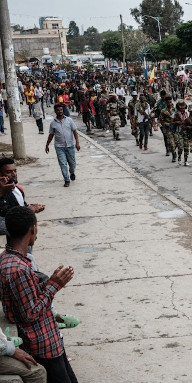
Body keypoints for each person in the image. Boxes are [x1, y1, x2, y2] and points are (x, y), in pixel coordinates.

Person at [0, 206, 77, 382]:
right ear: (32, 229)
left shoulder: (13, 260)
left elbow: (27, 299)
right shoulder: (17, 269)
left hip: (49, 338)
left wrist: (46, 283)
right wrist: (54, 285)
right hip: (42, 343)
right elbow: (29, 313)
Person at [45, 104, 79, 188]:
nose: (59, 111)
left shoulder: (69, 120)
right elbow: (51, 135)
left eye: (61, 110)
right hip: (59, 147)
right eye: (58, 110)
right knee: (63, 163)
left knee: (73, 164)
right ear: (55, 111)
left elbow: (75, 131)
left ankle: (71, 172)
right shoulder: (53, 123)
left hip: (70, 146)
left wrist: (77, 142)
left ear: (63, 110)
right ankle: (66, 180)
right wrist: (47, 144)